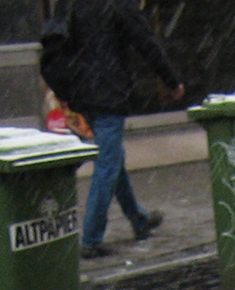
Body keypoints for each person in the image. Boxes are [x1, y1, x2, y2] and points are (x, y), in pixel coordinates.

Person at [43, 0, 185, 260]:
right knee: (107, 165)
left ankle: (138, 218)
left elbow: (55, 44)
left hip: (81, 93)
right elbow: (146, 42)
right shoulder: (118, 4)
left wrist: (64, 90)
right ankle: (91, 239)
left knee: (112, 157)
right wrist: (171, 81)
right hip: (108, 93)